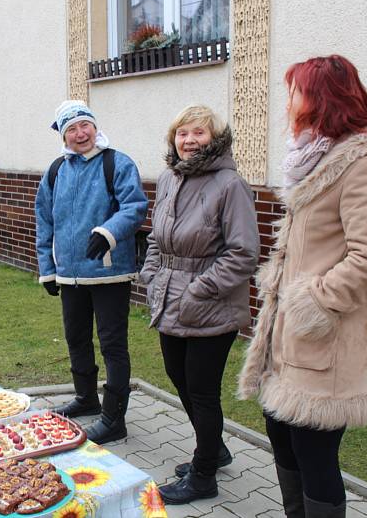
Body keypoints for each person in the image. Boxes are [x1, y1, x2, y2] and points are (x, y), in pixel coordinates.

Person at [238, 55, 367, 518]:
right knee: (283, 442)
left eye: (295, 92)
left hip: (324, 340)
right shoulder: (313, 158)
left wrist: (315, 301)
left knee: (315, 457)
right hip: (285, 340)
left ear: (322, 99)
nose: (288, 102)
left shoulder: (364, 164)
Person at [139, 105, 258, 504]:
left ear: (215, 139)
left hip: (211, 306)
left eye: (199, 134)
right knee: (180, 380)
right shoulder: (171, 178)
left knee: (203, 392)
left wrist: (200, 289)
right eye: (182, 133)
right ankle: (214, 449)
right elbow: (156, 237)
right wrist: (152, 275)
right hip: (169, 298)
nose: (189, 141)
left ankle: (204, 475)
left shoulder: (230, 184)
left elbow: (243, 253)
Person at [35, 100, 148, 444]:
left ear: (95, 127)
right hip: (70, 275)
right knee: (77, 338)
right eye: (72, 129)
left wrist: (108, 232)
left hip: (108, 273)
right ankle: (86, 399)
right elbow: (44, 219)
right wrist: (48, 268)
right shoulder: (56, 170)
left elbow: (135, 207)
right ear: (63, 136)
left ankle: (114, 419)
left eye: (85, 125)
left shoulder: (118, 163)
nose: (81, 133)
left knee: (113, 345)